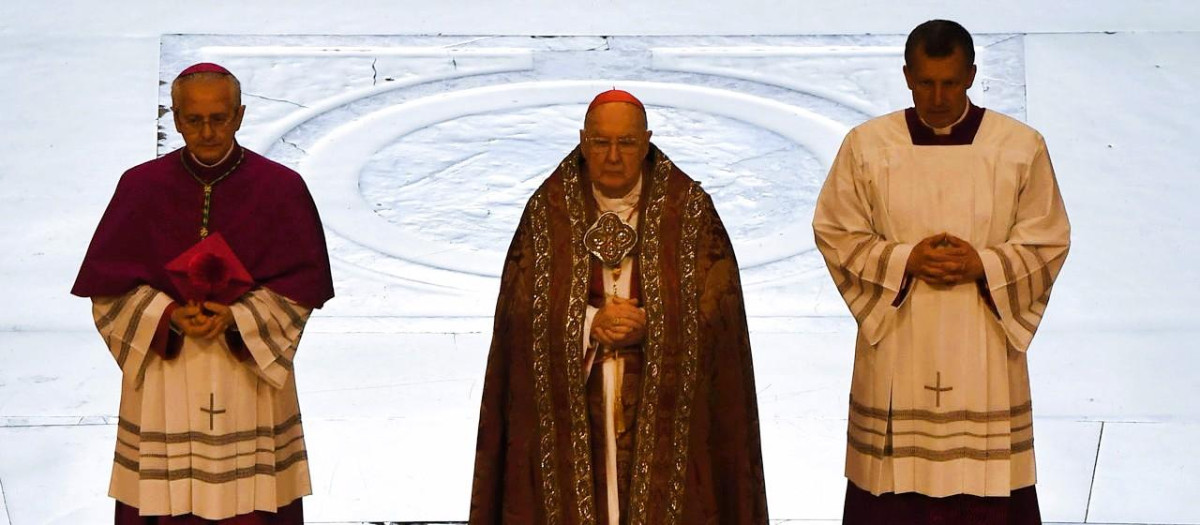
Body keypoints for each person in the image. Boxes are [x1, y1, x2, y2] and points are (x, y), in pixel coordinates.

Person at [813, 20, 1070, 524]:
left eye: (950, 82)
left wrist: (985, 264)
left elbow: (1048, 238)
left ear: (972, 75)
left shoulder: (1018, 147)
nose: (937, 96)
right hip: (899, 343)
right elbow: (836, 231)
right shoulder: (868, 145)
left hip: (983, 348)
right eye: (925, 82)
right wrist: (906, 259)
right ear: (906, 75)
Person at [469, 89, 768, 524]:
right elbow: (519, 313)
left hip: (662, 420)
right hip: (576, 417)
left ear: (646, 142)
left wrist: (657, 323)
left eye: (626, 143)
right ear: (582, 141)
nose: (612, 156)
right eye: (600, 142)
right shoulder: (547, 211)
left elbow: (721, 315)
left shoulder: (689, 212)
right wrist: (589, 323)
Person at [71, 63, 334, 524]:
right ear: (174, 118)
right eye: (194, 120)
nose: (208, 131)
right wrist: (167, 314)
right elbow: (107, 290)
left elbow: (303, 286)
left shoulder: (281, 189)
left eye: (219, 118)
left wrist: (238, 318)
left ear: (240, 115)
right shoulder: (141, 187)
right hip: (165, 370)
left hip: (248, 367)